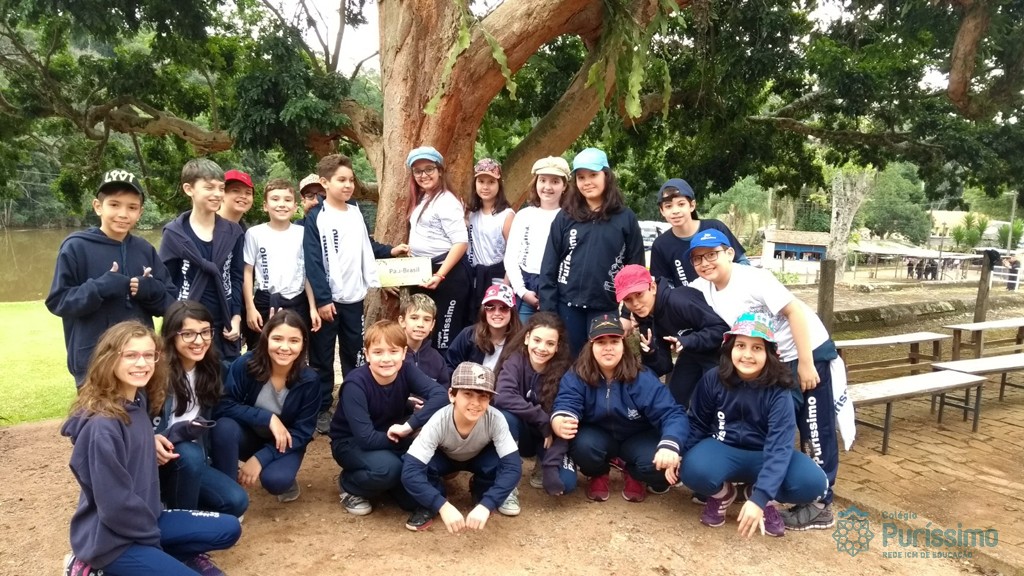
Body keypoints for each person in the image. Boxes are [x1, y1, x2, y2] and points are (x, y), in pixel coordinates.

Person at [687, 229, 851, 531]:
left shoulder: (753, 278)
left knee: (814, 426)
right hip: (769, 358)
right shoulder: (705, 286)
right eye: (698, 258)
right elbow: (670, 295)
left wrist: (806, 363)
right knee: (781, 420)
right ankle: (761, 488)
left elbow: (795, 312)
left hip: (806, 350)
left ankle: (820, 505)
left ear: (729, 253)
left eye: (712, 254)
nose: (705, 262)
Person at [61, 321, 240, 576]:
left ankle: (162, 558)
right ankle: (89, 567)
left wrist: (178, 432)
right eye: (131, 355)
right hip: (111, 542)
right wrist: (153, 541)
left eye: (148, 355)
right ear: (109, 359)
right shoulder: (102, 427)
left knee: (229, 528)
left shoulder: (136, 400)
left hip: (148, 516)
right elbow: (115, 507)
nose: (142, 363)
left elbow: (136, 442)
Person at [681, 312, 829, 537]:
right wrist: (680, 452)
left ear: (770, 353)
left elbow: (780, 448)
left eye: (757, 348)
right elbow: (697, 423)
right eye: (740, 345)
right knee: (691, 468)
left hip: (765, 454)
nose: (747, 355)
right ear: (730, 348)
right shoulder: (713, 378)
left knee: (813, 482)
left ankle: (759, 495)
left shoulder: (780, 391)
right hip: (723, 449)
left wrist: (760, 498)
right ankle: (723, 495)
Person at [46, 169, 176, 386]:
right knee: (99, 409)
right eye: (114, 205)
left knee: (141, 408)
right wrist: (99, 288)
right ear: (98, 206)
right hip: (94, 359)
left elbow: (172, 304)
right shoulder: (76, 246)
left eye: (132, 207)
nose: (123, 214)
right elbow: (58, 301)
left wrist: (151, 290)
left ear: (140, 212)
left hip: (140, 362)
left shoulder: (145, 250)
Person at [550, 314, 689, 502]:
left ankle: (633, 473)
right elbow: (566, 403)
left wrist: (670, 444)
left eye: (614, 341)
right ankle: (599, 472)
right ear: (591, 346)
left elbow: (672, 413)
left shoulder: (642, 377)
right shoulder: (577, 374)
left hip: (637, 438)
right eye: (601, 342)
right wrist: (560, 420)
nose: (608, 348)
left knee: (662, 465)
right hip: (597, 437)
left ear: (623, 345)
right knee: (582, 445)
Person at [329, 320, 450, 517]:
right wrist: (407, 439)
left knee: (413, 496)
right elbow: (366, 439)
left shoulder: (406, 370)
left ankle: (390, 485)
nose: (386, 359)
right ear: (367, 354)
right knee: (389, 469)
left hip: (390, 434)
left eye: (393, 351)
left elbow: (441, 395)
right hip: (351, 443)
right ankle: (349, 484)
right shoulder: (355, 384)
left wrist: (410, 425)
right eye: (378, 352)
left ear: (403, 353)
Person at [539, 147, 644, 355]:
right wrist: (549, 313)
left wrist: (626, 314)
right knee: (567, 364)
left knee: (604, 363)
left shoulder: (626, 218)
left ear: (606, 175)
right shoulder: (565, 216)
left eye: (593, 175)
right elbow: (549, 266)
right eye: (581, 177)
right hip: (567, 308)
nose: (587, 182)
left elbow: (636, 269)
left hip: (606, 308)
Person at [303, 154, 381, 434]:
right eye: (341, 180)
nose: (348, 185)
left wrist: (390, 250)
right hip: (328, 301)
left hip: (354, 298)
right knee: (322, 356)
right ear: (325, 183)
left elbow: (365, 246)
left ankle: (352, 402)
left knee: (354, 353)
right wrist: (323, 299)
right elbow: (313, 261)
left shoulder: (356, 211)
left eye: (350, 180)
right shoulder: (316, 217)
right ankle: (322, 408)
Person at [211, 309, 320, 503]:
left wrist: (260, 458)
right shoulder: (246, 364)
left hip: (284, 443)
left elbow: (303, 432)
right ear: (266, 338)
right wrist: (267, 417)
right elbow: (223, 405)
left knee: (276, 481)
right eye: (277, 339)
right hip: (247, 435)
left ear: (303, 343)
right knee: (224, 427)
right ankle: (227, 493)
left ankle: (278, 469)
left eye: (294, 341)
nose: (284, 347)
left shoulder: (309, 380)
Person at [401, 362, 522, 532]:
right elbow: (410, 472)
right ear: (452, 395)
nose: (475, 402)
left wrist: (488, 504)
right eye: (467, 394)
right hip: (444, 458)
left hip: (479, 457)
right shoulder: (438, 420)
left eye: (483, 396)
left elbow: (513, 467)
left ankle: (481, 488)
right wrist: (441, 505)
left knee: (500, 462)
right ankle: (434, 498)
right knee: (416, 476)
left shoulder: (496, 419)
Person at [154, 301, 249, 518]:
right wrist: (148, 440)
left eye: (205, 332)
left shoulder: (214, 369)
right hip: (156, 459)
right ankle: (182, 521)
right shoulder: (154, 373)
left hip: (194, 461)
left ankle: (177, 503)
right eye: (188, 334)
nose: (199, 341)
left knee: (236, 501)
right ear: (172, 336)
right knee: (189, 452)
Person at [160, 159, 245, 362]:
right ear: (189, 189)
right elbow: (166, 282)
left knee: (225, 376)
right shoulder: (174, 234)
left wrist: (236, 316)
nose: (217, 194)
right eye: (209, 187)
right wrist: (176, 320)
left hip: (224, 321)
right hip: (187, 324)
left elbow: (236, 277)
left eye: (221, 188)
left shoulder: (233, 232)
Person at [613, 264, 729, 408]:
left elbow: (722, 330)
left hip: (719, 353)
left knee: (713, 400)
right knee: (673, 401)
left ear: (652, 288)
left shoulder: (679, 301)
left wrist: (687, 341)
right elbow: (664, 366)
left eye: (639, 294)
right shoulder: (645, 319)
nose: (635, 304)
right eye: (628, 299)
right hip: (691, 354)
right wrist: (651, 352)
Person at [493, 312, 576, 497]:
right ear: (527, 338)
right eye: (537, 340)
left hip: (548, 439)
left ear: (558, 347)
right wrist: (542, 419)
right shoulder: (515, 361)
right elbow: (502, 396)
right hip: (520, 432)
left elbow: (568, 422)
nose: (542, 348)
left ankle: (542, 461)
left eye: (550, 343)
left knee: (566, 483)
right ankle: (508, 478)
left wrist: (551, 465)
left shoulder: (566, 372)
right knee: (505, 417)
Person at [405, 146, 472, 352]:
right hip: (423, 272)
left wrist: (440, 275)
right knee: (423, 330)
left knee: (444, 334)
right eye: (418, 171)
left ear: (440, 170)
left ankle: (446, 373)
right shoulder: (423, 198)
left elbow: (461, 242)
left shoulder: (447, 201)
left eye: (429, 169)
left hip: (446, 275)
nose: (423, 175)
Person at [242, 178, 320, 350]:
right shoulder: (254, 234)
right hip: (266, 301)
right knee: (260, 351)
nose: (282, 204)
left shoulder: (303, 233)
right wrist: (250, 308)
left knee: (294, 350)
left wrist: (313, 308)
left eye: (287, 200)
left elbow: (307, 272)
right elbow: (247, 271)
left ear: (295, 206)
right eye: (275, 199)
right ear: (265, 205)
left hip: (297, 301)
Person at [648, 178, 749, 288]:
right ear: (662, 211)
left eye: (681, 204)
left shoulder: (715, 227)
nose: (675, 211)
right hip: (688, 298)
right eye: (668, 206)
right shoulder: (661, 245)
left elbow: (742, 262)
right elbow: (664, 286)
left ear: (692, 205)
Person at [504, 156, 570, 321]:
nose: (547, 187)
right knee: (522, 334)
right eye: (543, 180)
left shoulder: (570, 218)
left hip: (559, 288)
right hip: (526, 286)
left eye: (555, 181)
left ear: (564, 186)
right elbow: (511, 257)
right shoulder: (524, 215)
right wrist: (522, 291)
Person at [466, 158, 515, 318]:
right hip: (474, 277)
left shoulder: (506, 215)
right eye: (481, 181)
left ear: (499, 184)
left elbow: (514, 253)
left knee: (494, 318)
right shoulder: (470, 213)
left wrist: (506, 285)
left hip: (497, 278)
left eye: (491, 182)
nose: (485, 187)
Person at [446, 284, 522, 372]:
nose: (497, 313)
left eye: (504, 308)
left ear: (512, 311)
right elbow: (449, 366)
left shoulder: (520, 341)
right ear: (484, 310)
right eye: (490, 307)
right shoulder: (468, 335)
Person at [400, 293, 451, 388]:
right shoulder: (393, 354)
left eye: (427, 320)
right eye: (414, 318)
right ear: (402, 321)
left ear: (432, 325)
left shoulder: (437, 360)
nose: (420, 324)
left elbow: (442, 391)